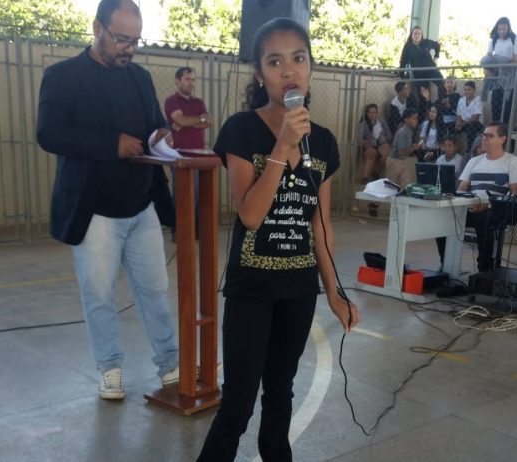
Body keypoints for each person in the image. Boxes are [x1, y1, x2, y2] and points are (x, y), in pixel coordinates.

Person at [196, 17, 360, 462]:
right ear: (259, 74)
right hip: (251, 288)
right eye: (275, 62)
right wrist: (282, 148)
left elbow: (320, 224)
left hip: (298, 289)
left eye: (298, 59)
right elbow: (250, 215)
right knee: (238, 405)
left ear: (310, 67)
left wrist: (335, 291)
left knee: (281, 394)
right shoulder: (241, 130)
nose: (289, 70)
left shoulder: (322, 142)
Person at [36, 0, 179, 400]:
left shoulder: (140, 78)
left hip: (141, 206)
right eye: (121, 39)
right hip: (94, 211)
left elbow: (154, 124)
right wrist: (110, 145)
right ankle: (110, 368)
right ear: (97, 28)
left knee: (155, 291)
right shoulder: (62, 76)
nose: (129, 49)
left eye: (135, 41)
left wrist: (161, 135)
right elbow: (49, 134)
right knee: (99, 296)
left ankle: (170, 364)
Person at [436, 122, 517, 272]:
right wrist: (464, 203)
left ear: (502, 139)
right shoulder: (474, 161)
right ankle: (446, 264)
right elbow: (462, 188)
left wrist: (488, 205)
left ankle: (484, 270)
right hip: (472, 207)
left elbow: (513, 194)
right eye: (484, 135)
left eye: (490, 136)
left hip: (496, 210)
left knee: (485, 220)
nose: (484, 139)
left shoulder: (512, 162)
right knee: (442, 219)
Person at [164, 67, 212, 240]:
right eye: (187, 79)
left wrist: (186, 122)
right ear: (177, 81)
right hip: (179, 156)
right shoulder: (172, 101)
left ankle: (194, 230)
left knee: (197, 194)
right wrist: (197, 120)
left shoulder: (199, 102)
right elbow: (180, 120)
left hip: (198, 155)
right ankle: (178, 230)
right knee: (181, 194)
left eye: (193, 79)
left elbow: (209, 122)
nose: (190, 83)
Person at [480, 17, 517, 124]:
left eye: (504, 29)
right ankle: (495, 128)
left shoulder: (513, 39)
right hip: (497, 77)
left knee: (507, 106)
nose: (501, 32)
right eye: (499, 29)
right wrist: (490, 69)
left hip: (509, 75)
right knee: (495, 105)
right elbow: (489, 57)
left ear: (508, 28)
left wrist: (501, 65)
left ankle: (504, 129)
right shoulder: (494, 39)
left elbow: (515, 59)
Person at [399, 25, 444, 98]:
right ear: (411, 35)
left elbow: (437, 45)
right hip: (419, 74)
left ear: (421, 35)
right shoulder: (408, 47)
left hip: (431, 70)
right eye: (415, 33)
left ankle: (442, 101)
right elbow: (403, 61)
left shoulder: (426, 42)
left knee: (442, 83)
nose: (417, 35)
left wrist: (436, 57)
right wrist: (401, 75)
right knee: (423, 94)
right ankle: (425, 104)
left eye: (419, 33)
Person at [386, 108, 422, 187]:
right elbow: (400, 152)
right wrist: (413, 148)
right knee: (391, 188)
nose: (416, 120)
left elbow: (405, 148)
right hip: (395, 161)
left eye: (417, 118)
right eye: (414, 118)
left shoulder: (409, 131)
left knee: (406, 186)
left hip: (402, 161)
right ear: (406, 119)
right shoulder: (403, 132)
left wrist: (413, 146)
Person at [357, 103, 392, 183]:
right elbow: (359, 139)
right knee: (371, 154)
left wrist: (384, 140)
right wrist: (367, 142)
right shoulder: (363, 124)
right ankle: (365, 178)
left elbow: (389, 135)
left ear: (377, 113)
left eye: (374, 112)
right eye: (370, 112)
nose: (372, 114)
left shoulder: (381, 122)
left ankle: (376, 173)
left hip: (381, 143)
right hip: (369, 145)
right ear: (366, 113)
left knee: (386, 153)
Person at [455, 80, 484, 152]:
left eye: (469, 90)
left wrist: (462, 124)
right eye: (465, 89)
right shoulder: (461, 100)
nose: (466, 92)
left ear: (474, 90)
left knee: (470, 128)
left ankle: (469, 151)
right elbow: (458, 114)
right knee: (451, 126)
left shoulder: (478, 100)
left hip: (475, 123)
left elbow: (475, 118)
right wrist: (457, 124)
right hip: (463, 123)